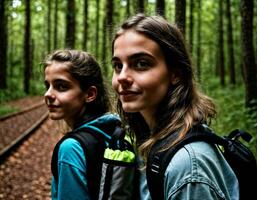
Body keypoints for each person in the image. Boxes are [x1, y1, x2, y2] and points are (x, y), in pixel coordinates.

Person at [111, 14, 239, 199]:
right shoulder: (152, 142)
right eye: (117, 65)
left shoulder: (187, 166)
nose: (122, 76)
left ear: (175, 73)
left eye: (141, 63)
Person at [43, 49, 121, 199]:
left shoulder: (71, 148)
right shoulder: (113, 128)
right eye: (48, 86)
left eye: (61, 86)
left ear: (90, 94)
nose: (48, 94)